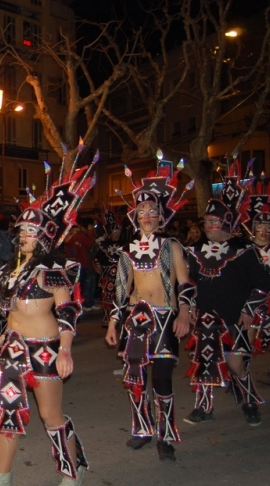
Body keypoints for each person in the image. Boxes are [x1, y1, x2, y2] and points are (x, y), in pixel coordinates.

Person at [0, 153, 97, 486]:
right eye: (22, 230)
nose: (24, 236)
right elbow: (13, 313)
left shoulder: (53, 270)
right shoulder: (10, 270)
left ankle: (72, 471)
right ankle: (2, 477)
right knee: (7, 414)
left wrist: (65, 350)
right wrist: (2, 336)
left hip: (45, 349)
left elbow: (67, 311)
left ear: (45, 236)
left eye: (32, 231)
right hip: (13, 349)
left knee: (50, 414)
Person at [105, 154, 193, 461]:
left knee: (163, 380)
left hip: (165, 317)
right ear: (135, 217)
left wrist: (184, 312)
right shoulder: (127, 251)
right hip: (137, 320)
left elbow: (185, 283)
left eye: (152, 211)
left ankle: (165, 435)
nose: (146, 216)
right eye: (141, 211)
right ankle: (142, 429)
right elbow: (121, 290)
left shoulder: (172, 246)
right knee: (136, 380)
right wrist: (113, 323)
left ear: (160, 216)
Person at [182, 162, 270, 427]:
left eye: (213, 221)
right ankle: (204, 407)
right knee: (204, 362)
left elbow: (263, 286)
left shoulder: (245, 251)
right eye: (206, 222)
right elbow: (189, 282)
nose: (207, 225)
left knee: (236, 365)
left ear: (226, 223)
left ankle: (249, 402)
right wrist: (190, 306)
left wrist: (249, 311)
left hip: (234, 318)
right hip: (206, 318)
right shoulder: (196, 251)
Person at [241, 180, 270, 395]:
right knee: (248, 338)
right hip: (251, 301)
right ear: (253, 229)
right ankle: (243, 379)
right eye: (260, 226)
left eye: (269, 227)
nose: (265, 231)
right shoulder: (245, 251)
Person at [94, 208, 124, 327]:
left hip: (121, 273)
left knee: (119, 296)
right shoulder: (104, 244)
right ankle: (107, 317)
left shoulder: (125, 245)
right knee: (106, 296)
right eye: (114, 232)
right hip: (107, 274)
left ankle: (117, 318)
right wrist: (97, 265)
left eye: (118, 232)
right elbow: (97, 257)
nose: (116, 234)